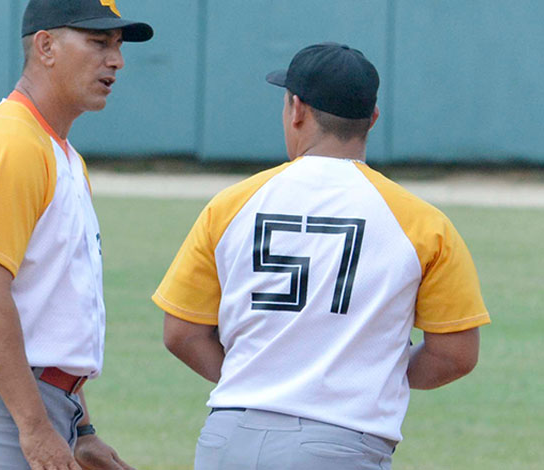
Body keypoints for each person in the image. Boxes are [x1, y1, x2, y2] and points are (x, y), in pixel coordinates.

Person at [153, 42, 490, 470]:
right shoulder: (423, 223)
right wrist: (366, 375)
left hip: (228, 439)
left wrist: (260, 379)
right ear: (371, 120)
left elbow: (180, 332)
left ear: (297, 109)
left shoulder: (231, 204)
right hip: (339, 444)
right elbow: (455, 354)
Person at [0, 1, 152, 469]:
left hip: (26, 395)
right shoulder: (11, 144)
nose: (116, 60)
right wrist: (34, 425)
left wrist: (80, 427)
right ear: (46, 46)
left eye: (119, 46)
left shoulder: (58, 152)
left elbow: (48, 308)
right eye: (98, 42)